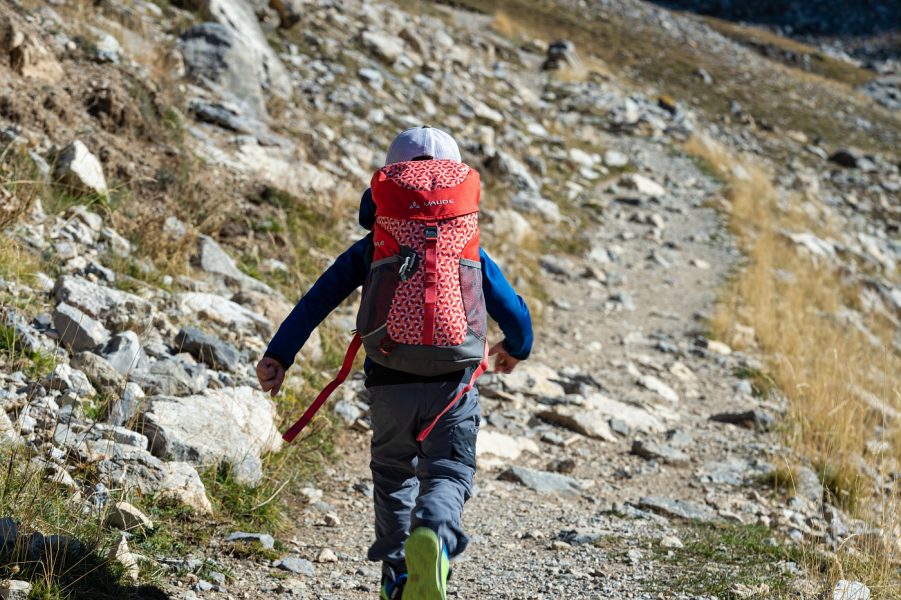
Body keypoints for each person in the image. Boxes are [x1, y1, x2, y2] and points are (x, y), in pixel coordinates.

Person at [256, 126, 533, 600]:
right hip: (454, 381)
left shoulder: (374, 245)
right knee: (447, 469)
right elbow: (515, 312)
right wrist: (516, 348)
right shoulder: (465, 245)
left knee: (392, 472)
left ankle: (399, 572)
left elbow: (316, 300)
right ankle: (435, 536)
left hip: (388, 376)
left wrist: (279, 355)